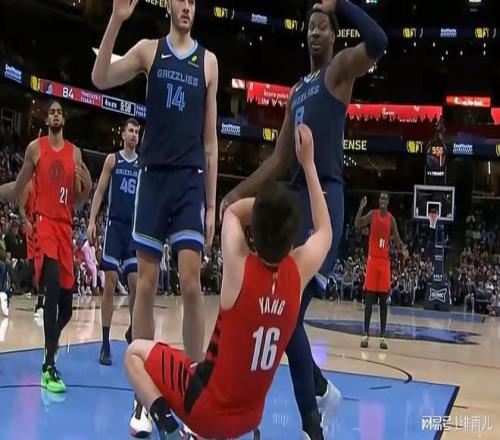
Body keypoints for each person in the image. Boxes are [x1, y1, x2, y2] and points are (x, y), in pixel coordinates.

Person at [220, 0, 387, 437]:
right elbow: (278, 161)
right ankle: (319, 394)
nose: (314, 32)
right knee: (281, 313)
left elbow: (378, 41)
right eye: (310, 27)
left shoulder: (338, 72)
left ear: (333, 35)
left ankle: (313, 421)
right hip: (292, 204)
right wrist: (236, 193)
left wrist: (341, 4)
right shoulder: (297, 91)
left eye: (322, 27)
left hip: (323, 197)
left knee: (288, 314)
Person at [125, 124, 332, 439]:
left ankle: (169, 427)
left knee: (134, 353)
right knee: (200, 369)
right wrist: (309, 164)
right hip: (249, 417)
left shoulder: (240, 268)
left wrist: (265, 205)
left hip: (206, 411)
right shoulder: (297, 274)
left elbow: (232, 212)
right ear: (292, 241)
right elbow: (325, 231)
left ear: (254, 230)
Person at [92, 0, 218, 435]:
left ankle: (197, 398)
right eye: (181, 0)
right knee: (144, 284)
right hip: (153, 179)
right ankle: (144, 397)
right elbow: (100, 78)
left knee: (191, 283)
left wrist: (212, 204)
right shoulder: (150, 50)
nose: (188, 7)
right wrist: (116, 19)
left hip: (189, 182)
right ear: (168, 5)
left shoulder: (209, 62)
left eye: (194, 2)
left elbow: (210, 143)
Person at [0, 100, 92, 393]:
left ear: (64, 119)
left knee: (66, 308)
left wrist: (88, 187)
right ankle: (49, 367)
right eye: (51, 112)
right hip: (44, 225)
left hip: (65, 229)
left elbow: (78, 200)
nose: (55, 115)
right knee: (51, 290)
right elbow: (18, 187)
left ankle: (50, 347)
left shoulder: (75, 153)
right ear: (46, 119)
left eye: (59, 112)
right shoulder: (35, 149)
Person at [87, 118, 140, 366]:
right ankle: (105, 342)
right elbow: (99, 191)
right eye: (131, 130)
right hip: (114, 227)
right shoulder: (113, 160)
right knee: (109, 283)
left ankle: (133, 331)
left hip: (134, 229)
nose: (134, 134)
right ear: (123, 135)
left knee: (136, 285)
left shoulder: (142, 164)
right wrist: (91, 221)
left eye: (137, 131)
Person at [354, 193, 408, 349]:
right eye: (381, 198)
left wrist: (403, 248)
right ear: (379, 201)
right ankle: (365, 335)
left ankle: (383, 337)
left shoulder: (391, 220)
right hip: (373, 261)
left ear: (388, 202)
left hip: (384, 263)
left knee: (384, 302)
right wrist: (361, 207)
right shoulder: (373, 214)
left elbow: (397, 239)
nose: (383, 201)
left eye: (385, 199)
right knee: (369, 301)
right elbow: (357, 224)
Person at [19, 178, 44, 316]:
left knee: (42, 266)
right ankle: (10, 287)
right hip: (32, 229)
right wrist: (26, 221)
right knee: (33, 266)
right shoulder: (29, 184)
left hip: (43, 228)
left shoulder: (45, 182)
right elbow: (21, 208)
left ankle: (41, 302)